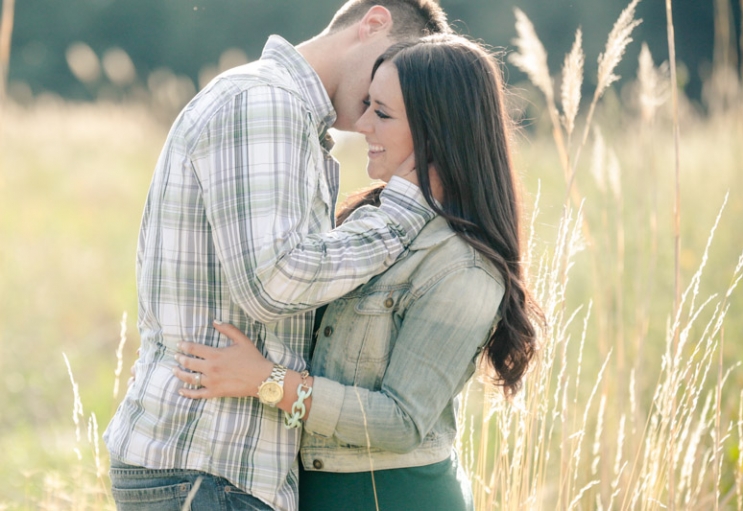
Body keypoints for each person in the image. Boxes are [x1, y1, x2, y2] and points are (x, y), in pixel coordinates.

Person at [172, 34, 543, 511]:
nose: (362, 124)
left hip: (393, 496)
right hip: (316, 492)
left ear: (439, 131)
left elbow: (401, 421)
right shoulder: (370, 225)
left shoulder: (463, 265)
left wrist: (268, 381)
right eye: (367, 104)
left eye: (382, 113)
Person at [103, 2, 450, 510]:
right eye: (390, 69)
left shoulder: (286, 114)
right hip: (205, 465)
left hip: (211, 468)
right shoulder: (265, 102)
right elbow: (276, 281)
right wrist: (403, 209)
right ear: (372, 23)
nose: (392, 93)